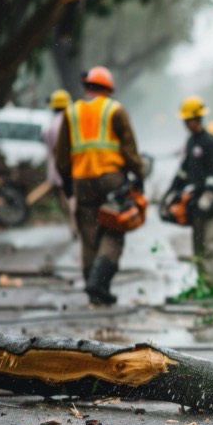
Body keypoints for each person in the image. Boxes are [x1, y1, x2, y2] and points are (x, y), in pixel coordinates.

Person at [56, 66, 144, 306]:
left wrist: (68, 185)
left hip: (82, 180)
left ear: (87, 88)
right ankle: (99, 282)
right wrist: (139, 174)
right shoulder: (115, 110)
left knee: (89, 234)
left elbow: (62, 156)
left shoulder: (71, 112)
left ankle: (93, 290)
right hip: (111, 179)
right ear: (108, 89)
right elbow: (129, 150)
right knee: (114, 230)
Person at [164, 96, 213, 287]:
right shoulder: (191, 142)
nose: (186, 124)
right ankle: (203, 284)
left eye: (188, 120)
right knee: (199, 248)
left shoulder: (210, 143)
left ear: (197, 119)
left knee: (211, 246)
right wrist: (171, 192)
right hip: (197, 205)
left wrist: (209, 196)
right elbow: (184, 171)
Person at [43, 89, 76, 237]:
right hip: (71, 167)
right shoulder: (71, 121)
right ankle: (76, 225)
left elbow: (51, 149)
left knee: (66, 199)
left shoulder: (51, 126)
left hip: (57, 169)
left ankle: (73, 226)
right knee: (73, 197)